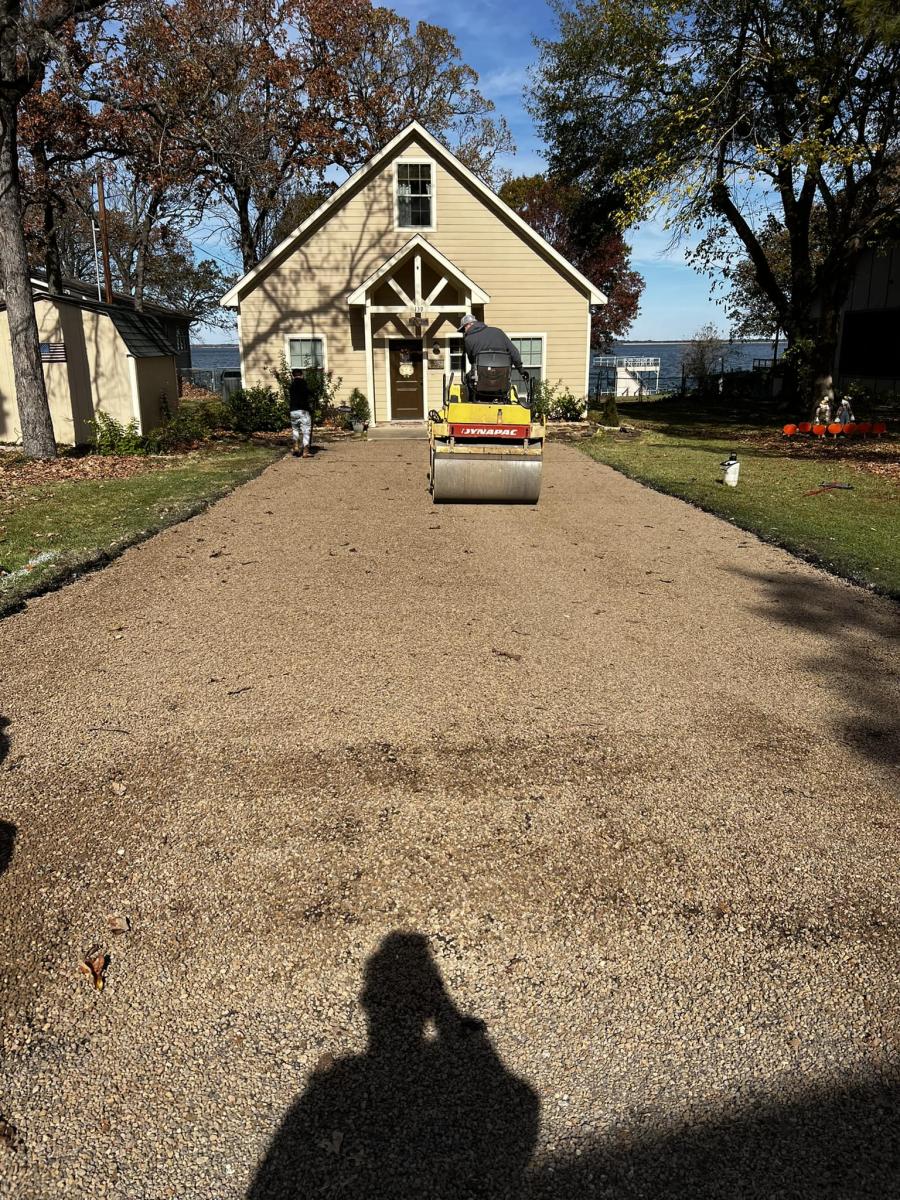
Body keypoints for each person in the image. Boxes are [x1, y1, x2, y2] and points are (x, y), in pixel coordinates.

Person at [458, 313, 524, 391]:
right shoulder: (498, 332)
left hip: (481, 380)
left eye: (464, 329)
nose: (464, 332)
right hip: (502, 379)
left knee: (468, 379)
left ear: (468, 325)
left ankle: (472, 396)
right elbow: (514, 352)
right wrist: (521, 370)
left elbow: (472, 361)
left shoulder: (468, 339)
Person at [288, 368, 313, 458]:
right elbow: (310, 394)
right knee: (306, 430)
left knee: (295, 429)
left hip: (293, 411)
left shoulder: (291, 385)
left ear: (293, 376)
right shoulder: (303, 384)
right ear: (302, 375)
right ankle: (305, 451)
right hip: (303, 410)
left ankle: (295, 447)